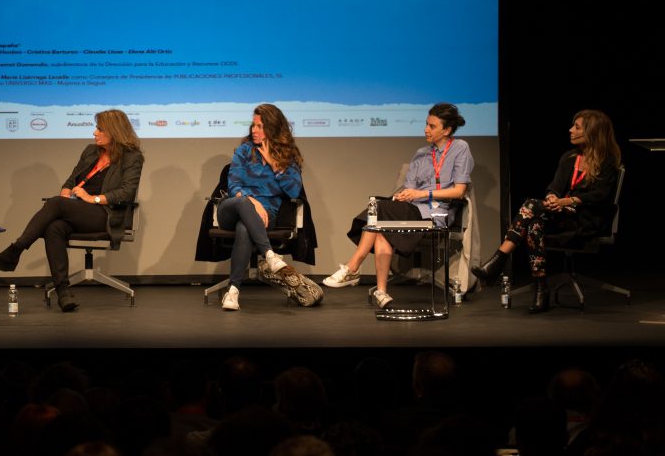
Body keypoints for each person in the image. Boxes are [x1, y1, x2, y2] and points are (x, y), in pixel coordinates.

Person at [0, 109, 143, 312]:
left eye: (99, 129)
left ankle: (16, 249)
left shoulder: (132, 157)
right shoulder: (91, 151)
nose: (94, 133)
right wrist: (66, 192)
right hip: (79, 211)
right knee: (54, 227)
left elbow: (127, 192)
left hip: (106, 215)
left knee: (56, 204)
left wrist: (92, 198)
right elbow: (72, 180)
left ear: (114, 132)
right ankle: (63, 292)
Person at [323, 103, 473, 310]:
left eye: (432, 126)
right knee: (381, 226)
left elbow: (459, 191)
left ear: (446, 130)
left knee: (378, 209)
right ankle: (382, 291)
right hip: (413, 209)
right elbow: (410, 187)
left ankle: (353, 266)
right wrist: (404, 195)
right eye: (426, 124)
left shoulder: (460, 148)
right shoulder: (421, 153)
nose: (425, 130)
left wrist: (421, 193)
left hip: (436, 213)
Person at [473, 109, 621, 313]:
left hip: (587, 218)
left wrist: (566, 201)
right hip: (563, 214)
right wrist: (553, 198)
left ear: (593, 132)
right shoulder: (569, 157)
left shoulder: (608, 161)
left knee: (532, 205)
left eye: (576, 127)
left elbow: (600, 196)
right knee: (534, 224)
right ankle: (541, 289)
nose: (570, 130)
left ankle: (499, 260)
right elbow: (554, 187)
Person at [217, 103, 303, 312]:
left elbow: (293, 192)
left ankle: (233, 291)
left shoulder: (287, 156)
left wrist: (274, 164)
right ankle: (270, 255)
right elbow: (234, 185)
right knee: (242, 203)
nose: (254, 130)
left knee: (244, 228)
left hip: (266, 216)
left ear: (272, 128)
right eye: (253, 125)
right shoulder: (244, 151)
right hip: (232, 207)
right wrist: (253, 202)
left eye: (260, 126)